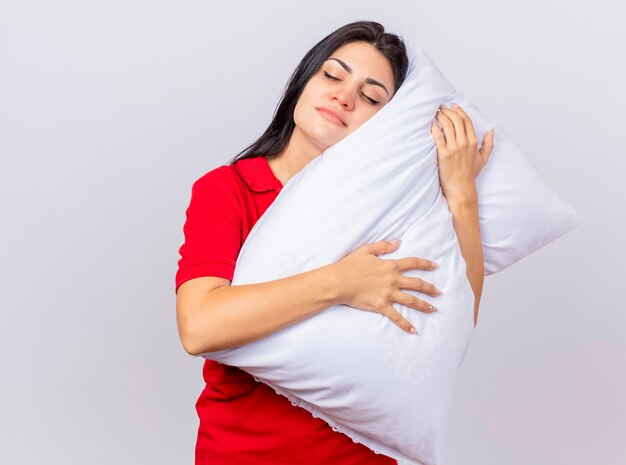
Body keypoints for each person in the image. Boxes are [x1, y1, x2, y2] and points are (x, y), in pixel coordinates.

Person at [175, 20, 493, 465]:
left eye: (371, 96)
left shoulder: (394, 210)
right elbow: (200, 327)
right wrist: (341, 283)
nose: (344, 96)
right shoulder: (231, 189)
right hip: (245, 453)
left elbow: (450, 326)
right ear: (304, 81)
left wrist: (461, 194)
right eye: (333, 74)